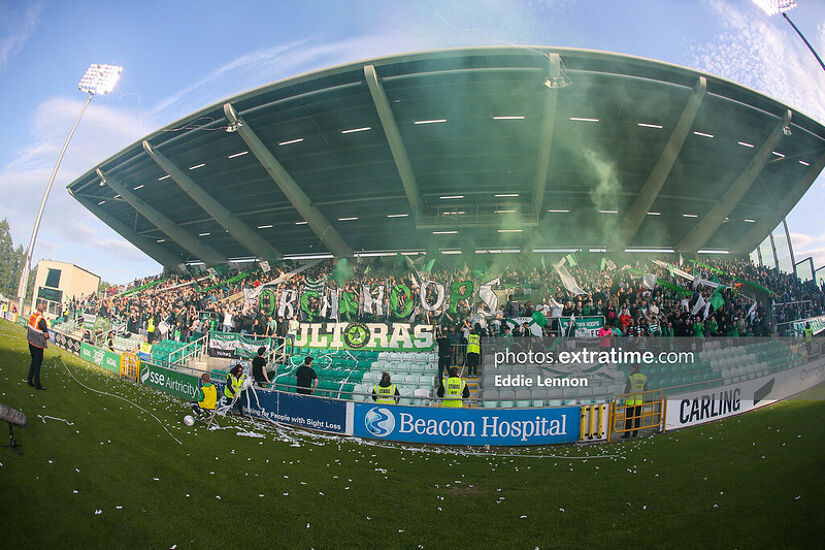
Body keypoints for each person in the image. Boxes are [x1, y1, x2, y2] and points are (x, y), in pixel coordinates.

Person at [26, 302, 49, 390]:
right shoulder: (41, 320)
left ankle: (29, 379)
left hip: (31, 342)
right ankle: (37, 384)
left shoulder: (33, 316)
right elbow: (46, 335)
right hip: (38, 345)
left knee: (33, 361)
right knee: (37, 364)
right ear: (43, 310)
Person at [622, 365, 647, 439]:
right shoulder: (644, 377)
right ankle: (635, 433)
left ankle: (627, 434)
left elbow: (627, 388)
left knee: (629, 418)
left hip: (631, 400)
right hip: (639, 400)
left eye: (631, 368)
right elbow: (645, 389)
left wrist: (625, 395)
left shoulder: (631, 377)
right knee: (637, 417)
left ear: (633, 368)